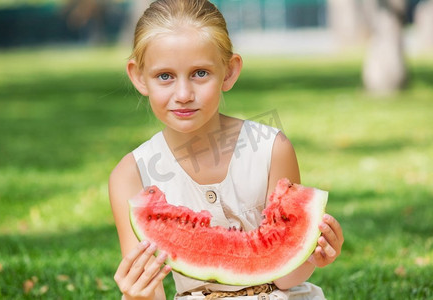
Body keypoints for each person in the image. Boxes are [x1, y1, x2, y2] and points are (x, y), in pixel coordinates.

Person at [109, 0, 344, 299]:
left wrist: (311, 255)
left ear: (229, 72)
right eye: (165, 76)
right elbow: (150, 288)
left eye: (200, 73)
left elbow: (283, 275)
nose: (183, 94)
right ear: (140, 77)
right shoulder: (131, 175)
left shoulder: (272, 149)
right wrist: (135, 293)